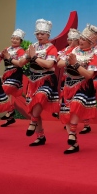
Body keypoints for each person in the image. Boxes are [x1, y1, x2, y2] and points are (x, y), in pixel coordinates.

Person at [58, 25, 97, 154]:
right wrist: (68, 62)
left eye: (84, 39)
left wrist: (75, 65)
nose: (81, 41)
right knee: (66, 114)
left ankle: (72, 132)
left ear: (91, 42)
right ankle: (74, 144)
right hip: (68, 85)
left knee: (76, 104)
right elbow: (59, 64)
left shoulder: (93, 55)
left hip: (83, 86)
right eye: (81, 38)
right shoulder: (72, 50)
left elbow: (89, 75)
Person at [23, 19, 59, 147]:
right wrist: (21, 57)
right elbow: (22, 62)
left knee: (40, 98)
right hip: (33, 80)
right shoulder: (32, 47)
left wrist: (34, 57)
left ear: (48, 35)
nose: (39, 36)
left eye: (42, 34)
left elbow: (49, 64)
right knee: (34, 108)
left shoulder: (52, 48)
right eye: (37, 34)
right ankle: (40, 137)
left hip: (46, 79)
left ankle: (33, 122)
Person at [0, 29, 27, 127]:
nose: (14, 40)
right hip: (7, 73)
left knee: (4, 90)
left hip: (16, 72)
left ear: (20, 41)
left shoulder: (21, 51)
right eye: (13, 38)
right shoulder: (7, 49)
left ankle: (11, 111)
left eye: (17, 39)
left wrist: (8, 57)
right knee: (8, 94)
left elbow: (20, 63)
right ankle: (10, 118)